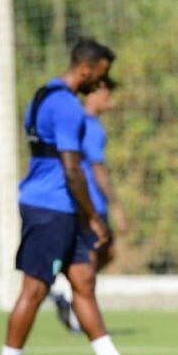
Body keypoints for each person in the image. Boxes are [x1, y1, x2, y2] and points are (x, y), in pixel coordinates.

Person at [0, 39, 163, 355]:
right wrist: (95, 217)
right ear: (85, 69)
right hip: (52, 207)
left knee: (83, 281)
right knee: (35, 288)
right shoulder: (68, 107)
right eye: (101, 75)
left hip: (51, 204)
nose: (101, 83)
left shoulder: (39, 97)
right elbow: (73, 170)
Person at [52, 75, 129, 333]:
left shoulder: (81, 121)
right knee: (95, 254)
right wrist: (116, 207)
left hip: (83, 202)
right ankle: (73, 304)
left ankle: (68, 293)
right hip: (90, 203)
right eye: (109, 94)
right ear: (97, 92)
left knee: (104, 253)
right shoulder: (89, 125)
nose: (114, 101)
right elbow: (98, 170)